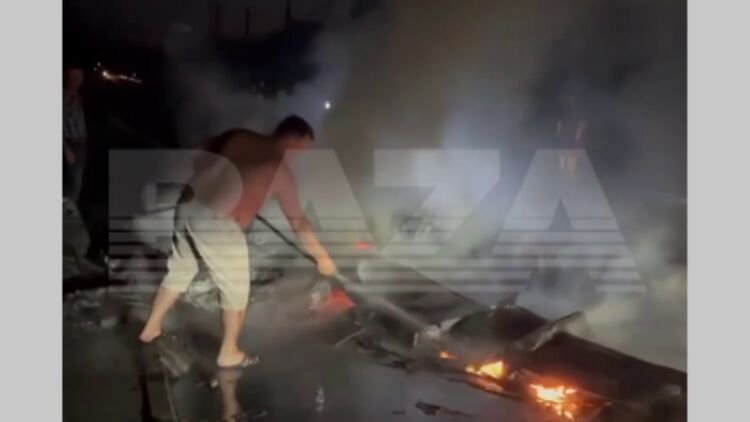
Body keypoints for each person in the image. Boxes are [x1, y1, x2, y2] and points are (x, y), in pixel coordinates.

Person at [139, 115, 338, 369]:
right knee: (236, 291)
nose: (300, 155)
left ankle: (151, 328)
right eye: (302, 148)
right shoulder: (280, 169)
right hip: (218, 223)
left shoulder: (238, 135)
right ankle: (229, 352)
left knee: (179, 272)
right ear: (294, 140)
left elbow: (199, 154)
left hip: (188, 205)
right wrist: (323, 258)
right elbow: (299, 223)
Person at [63, 66, 88, 200]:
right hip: (73, 144)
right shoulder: (65, 97)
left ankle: (73, 204)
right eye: (77, 77)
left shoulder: (77, 96)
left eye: (81, 77)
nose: (80, 80)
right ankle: (69, 207)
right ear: (70, 77)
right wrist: (67, 150)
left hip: (81, 143)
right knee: (74, 183)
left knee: (78, 180)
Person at [555, 93, 587, 175]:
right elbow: (559, 123)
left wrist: (578, 134)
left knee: (572, 156)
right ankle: (562, 174)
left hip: (572, 136)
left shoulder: (578, 110)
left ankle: (571, 174)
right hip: (565, 136)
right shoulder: (563, 110)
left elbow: (582, 124)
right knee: (563, 155)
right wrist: (558, 132)